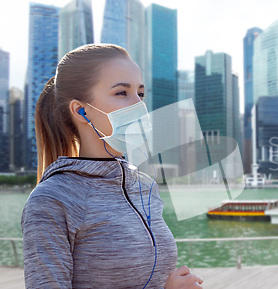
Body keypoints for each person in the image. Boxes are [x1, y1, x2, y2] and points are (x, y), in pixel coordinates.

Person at [20, 44, 204, 289]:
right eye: (121, 93)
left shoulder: (145, 186)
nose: (139, 105)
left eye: (140, 94)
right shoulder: (52, 199)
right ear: (81, 110)